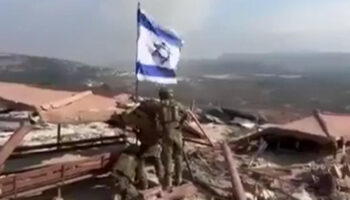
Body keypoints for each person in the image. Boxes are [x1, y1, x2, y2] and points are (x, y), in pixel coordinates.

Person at [118, 101, 164, 190]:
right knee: (157, 161)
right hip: (156, 144)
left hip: (146, 145)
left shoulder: (142, 120)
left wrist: (133, 108)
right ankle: (163, 180)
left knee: (140, 163)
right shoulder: (158, 120)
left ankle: (143, 184)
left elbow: (125, 118)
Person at [158, 88, 188, 189]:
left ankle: (168, 182)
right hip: (177, 132)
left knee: (168, 158)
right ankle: (179, 179)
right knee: (179, 156)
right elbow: (186, 114)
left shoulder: (160, 105)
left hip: (167, 132)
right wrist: (180, 125)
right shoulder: (177, 104)